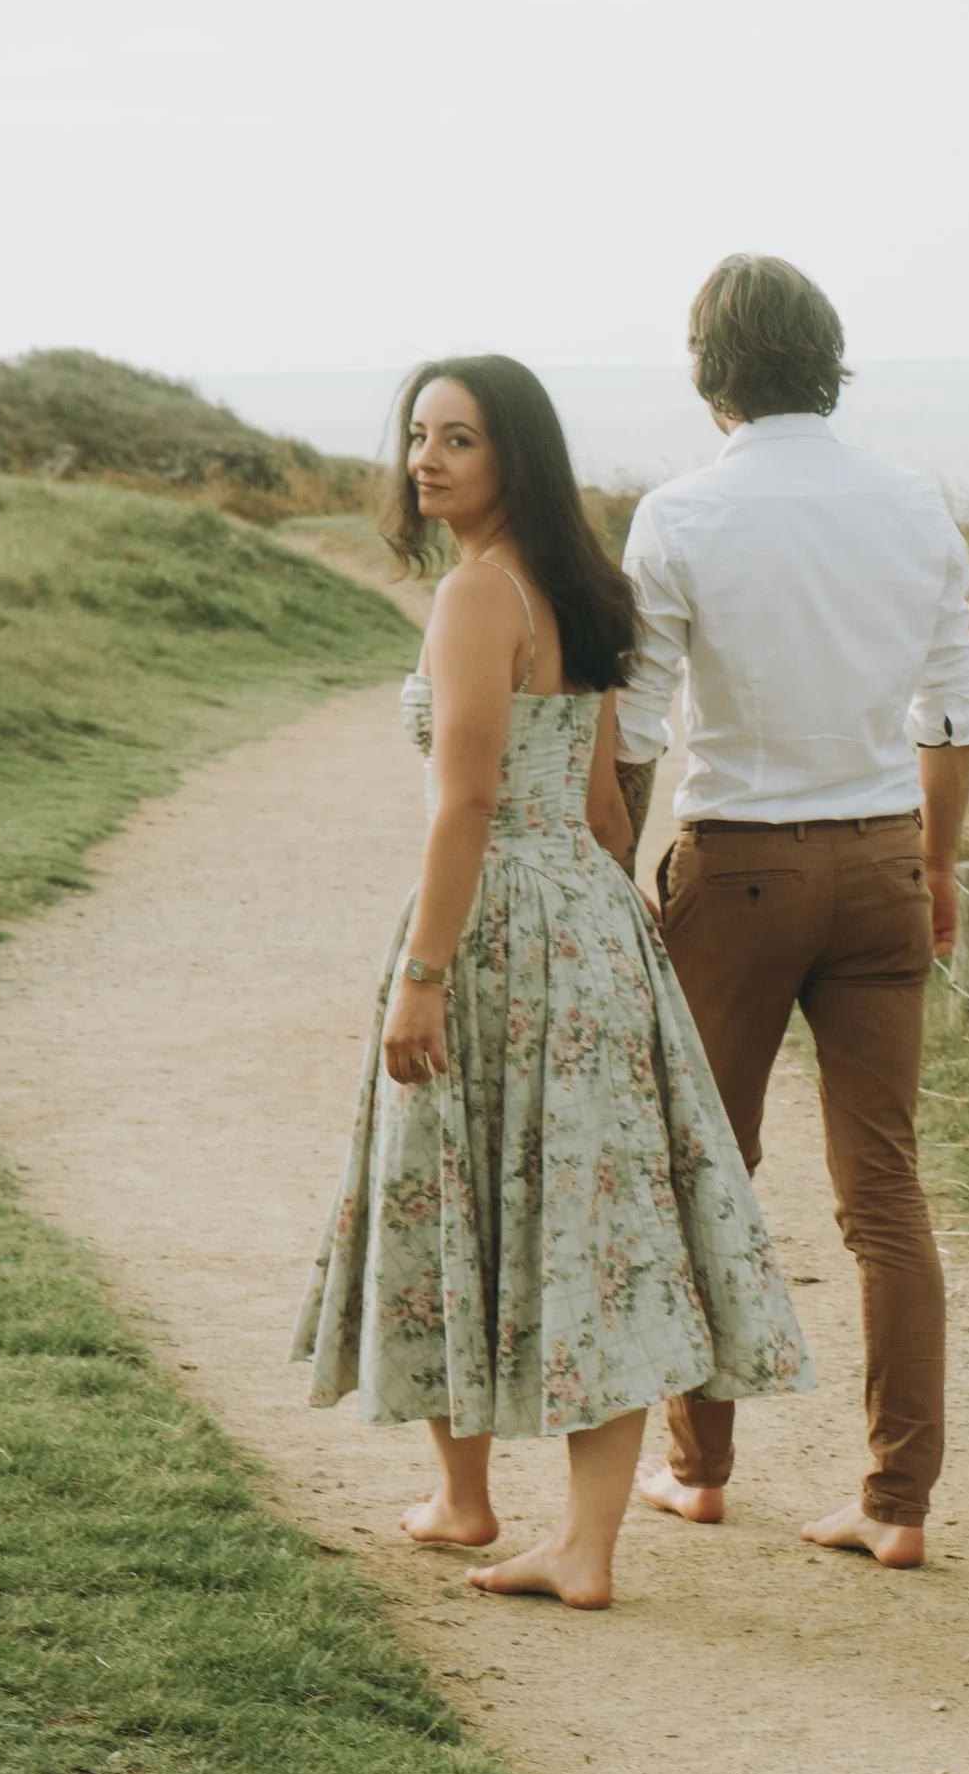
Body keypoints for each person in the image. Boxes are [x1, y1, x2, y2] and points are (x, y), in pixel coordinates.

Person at [291, 354, 812, 1608]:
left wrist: (424, 973)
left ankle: (481, 1503)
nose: (425, 460)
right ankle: (548, 1530)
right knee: (600, 1219)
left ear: (513, 455)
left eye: (457, 439)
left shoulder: (476, 596)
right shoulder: (579, 587)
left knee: (447, 1183)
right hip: (583, 912)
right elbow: (594, 795)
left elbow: (468, 801)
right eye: (418, 435)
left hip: (497, 922)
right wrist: (614, 937)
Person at [614, 255, 969, 1569]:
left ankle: (697, 1465)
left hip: (742, 865)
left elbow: (638, 723)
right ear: (827, 358)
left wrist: (618, 855)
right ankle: (896, 1503)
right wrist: (936, 863)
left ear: (710, 364)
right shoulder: (914, 504)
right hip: (885, 858)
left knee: (708, 1162)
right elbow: (950, 711)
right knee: (884, 1190)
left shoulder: (681, 514)